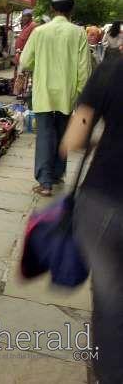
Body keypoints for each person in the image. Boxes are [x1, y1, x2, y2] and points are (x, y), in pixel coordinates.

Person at [60, 54, 123, 384]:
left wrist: (106, 137)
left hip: (104, 205)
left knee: (111, 301)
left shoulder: (112, 68)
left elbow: (73, 141)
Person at [19, 0, 91, 197]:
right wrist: (80, 93)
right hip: (67, 95)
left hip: (44, 93)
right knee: (62, 134)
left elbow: (25, 61)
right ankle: (58, 174)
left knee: (45, 135)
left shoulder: (40, 32)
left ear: (52, 9)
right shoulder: (78, 33)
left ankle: (45, 183)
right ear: (72, 10)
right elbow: (84, 69)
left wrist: (38, 65)